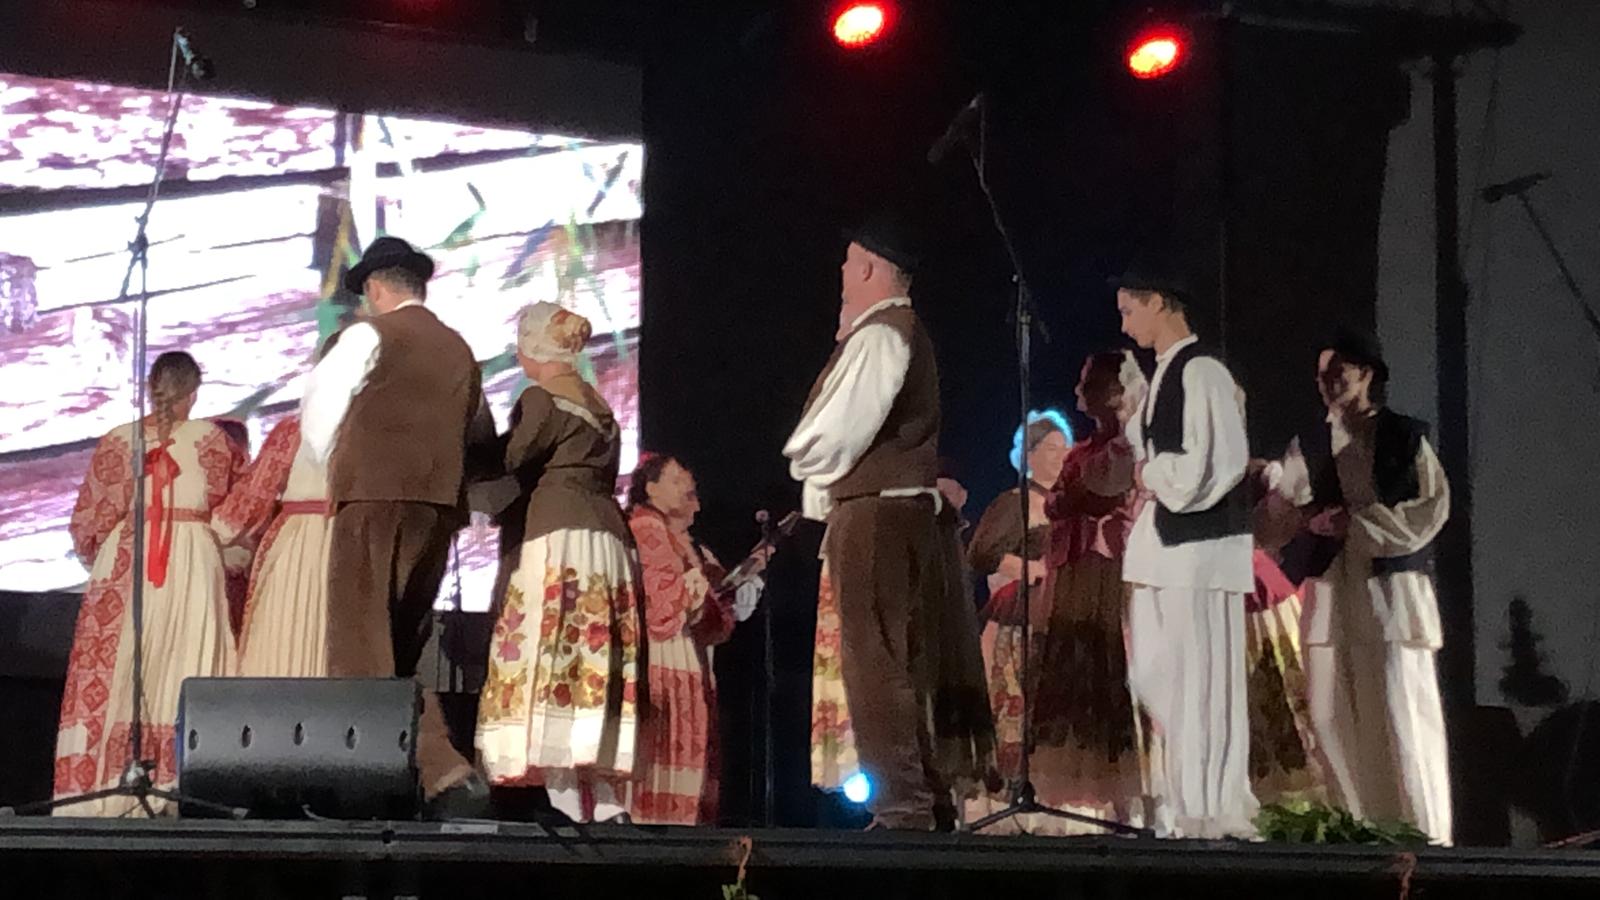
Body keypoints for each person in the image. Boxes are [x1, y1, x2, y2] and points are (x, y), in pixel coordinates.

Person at [784, 211, 972, 831]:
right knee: (900, 655)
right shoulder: (893, 331)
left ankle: (902, 806)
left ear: (868, 268)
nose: (841, 272)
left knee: (875, 658)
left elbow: (836, 428)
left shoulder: (883, 333)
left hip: (875, 510)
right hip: (893, 509)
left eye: (848, 262)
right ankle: (924, 798)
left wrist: (804, 457)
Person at [300, 237, 494, 818]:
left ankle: (380, 779)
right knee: (401, 644)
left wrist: (347, 469)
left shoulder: (369, 335)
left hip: (373, 499)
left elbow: (320, 414)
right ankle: (427, 772)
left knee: (358, 641)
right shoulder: (459, 349)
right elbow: (479, 435)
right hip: (436, 507)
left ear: (376, 289)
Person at [1274, 330, 1451, 842]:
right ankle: (1354, 834)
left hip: (1390, 597)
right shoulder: (1309, 444)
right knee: (1331, 716)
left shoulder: (1403, 438)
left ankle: (1421, 835)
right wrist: (1295, 516)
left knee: (1399, 715)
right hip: (1331, 593)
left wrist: (1359, 525)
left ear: (1366, 373)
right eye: (1321, 376)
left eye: (1338, 372)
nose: (1327, 384)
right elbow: (1280, 511)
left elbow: (1431, 509)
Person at [53, 351, 246, 816]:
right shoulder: (215, 442)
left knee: (123, 664)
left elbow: (90, 521)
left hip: (128, 558)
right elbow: (240, 510)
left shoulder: (119, 440)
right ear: (194, 393)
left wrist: (99, 560)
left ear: (150, 388)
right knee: (187, 660)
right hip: (192, 560)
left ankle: (105, 787)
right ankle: (179, 787)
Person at [475, 302, 641, 824]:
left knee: (551, 649)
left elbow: (512, 460)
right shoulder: (599, 404)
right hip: (607, 540)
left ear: (534, 348)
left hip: (559, 535)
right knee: (593, 654)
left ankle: (564, 796)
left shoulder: (542, 398)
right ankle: (607, 801)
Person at [1116, 259, 1258, 838]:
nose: (1126, 325)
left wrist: (1152, 474)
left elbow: (1215, 463)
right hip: (1168, 553)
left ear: (1159, 301)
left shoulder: (1203, 372)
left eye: (1130, 310)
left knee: (1203, 684)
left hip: (1201, 553)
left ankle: (1210, 810)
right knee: (1158, 673)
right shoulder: (1166, 376)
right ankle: (1188, 802)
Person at [1031, 352, 1148, 824]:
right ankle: (1099, 796)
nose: (1080, 392)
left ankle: (1133, 798)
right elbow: (1061, 502)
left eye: (1090, 384)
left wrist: (1073, 499)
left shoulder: (1129, 446)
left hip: (1110, 574)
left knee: (1113, 669)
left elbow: (1096, 491)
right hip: (1078, 574)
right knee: (1080, 674)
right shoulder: (1085, 450)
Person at [626, 454, 764, 825]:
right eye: (675, 480)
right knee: (662, 753)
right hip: (661, 658)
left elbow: (716, 613)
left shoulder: (692, 547)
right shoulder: (646, 528)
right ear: (650, 488)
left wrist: (739, 581)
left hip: (689, 661)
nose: (687, 489)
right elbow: (665, 602)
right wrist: (703, 591)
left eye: (689, 484)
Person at [964, 410, 1070, 832]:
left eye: (1064, 449)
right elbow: (981, 554)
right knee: (1016, 705)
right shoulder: (1016, 502)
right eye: (1051, 449)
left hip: (1061, 614)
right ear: (1030, 454)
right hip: (1019, 618)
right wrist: (1032, 569)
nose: (1060, 457)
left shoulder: (1069, 504)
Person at [212, 334, 342, 678]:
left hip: (298, 542)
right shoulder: (374, 431)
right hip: (348, 537)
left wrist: (213, 532)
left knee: (284, 631)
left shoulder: (295, 429)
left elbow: (256, 494)